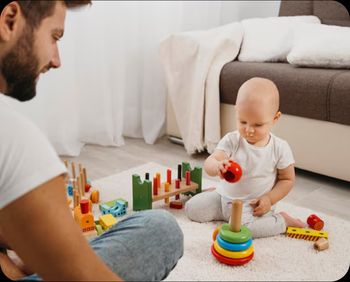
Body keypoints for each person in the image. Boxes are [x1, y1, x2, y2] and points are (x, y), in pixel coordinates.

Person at [0, 1, 183, 281]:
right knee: (160, 228)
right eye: (54, 37)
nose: (56, 60)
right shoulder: (14, 139)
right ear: (9, 20)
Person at [185, 77, 306, 238]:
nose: (249, 130)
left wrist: (269, 199)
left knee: (243, 231)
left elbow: (287, 180)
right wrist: (217, 166)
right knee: (192, 209)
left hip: (251, 205)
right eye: (243, 121)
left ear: (275, 118)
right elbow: (211, 162)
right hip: (223, 197)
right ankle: (219, 202)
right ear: (237, 112)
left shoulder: (279, 148)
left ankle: (283, 220)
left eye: (258, 125)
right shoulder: (232, 139)